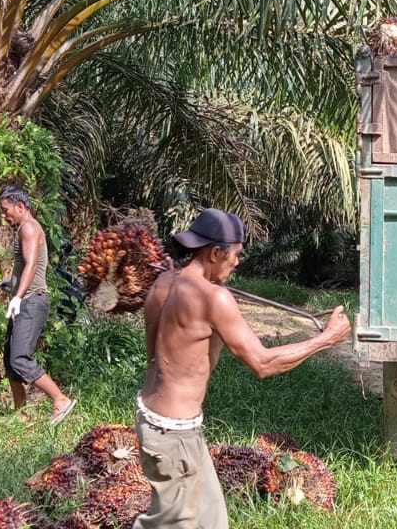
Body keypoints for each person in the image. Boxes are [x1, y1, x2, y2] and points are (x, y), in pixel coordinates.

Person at [132, 208, 352, 529]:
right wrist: (326, 339)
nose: (238, 262)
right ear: (215, 253)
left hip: (154, 419)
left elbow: (154, 355)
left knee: (211, 520)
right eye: (236, 254)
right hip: (174, 433)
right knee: (171, 524)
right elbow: (262, 364)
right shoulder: (215, 298)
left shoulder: (164, 282)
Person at [0, 185, 77, 426]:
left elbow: (32, 264)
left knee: (20, 358)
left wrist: (18, 297)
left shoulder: (29, 227)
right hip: (26, 300)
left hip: (32, 301)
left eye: (6, 209)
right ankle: (20, 414)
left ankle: (60, 399)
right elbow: (29, 267)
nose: (4, 215)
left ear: (20, 206)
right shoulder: (25, 228)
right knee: (10, 360)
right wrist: (11, 284)